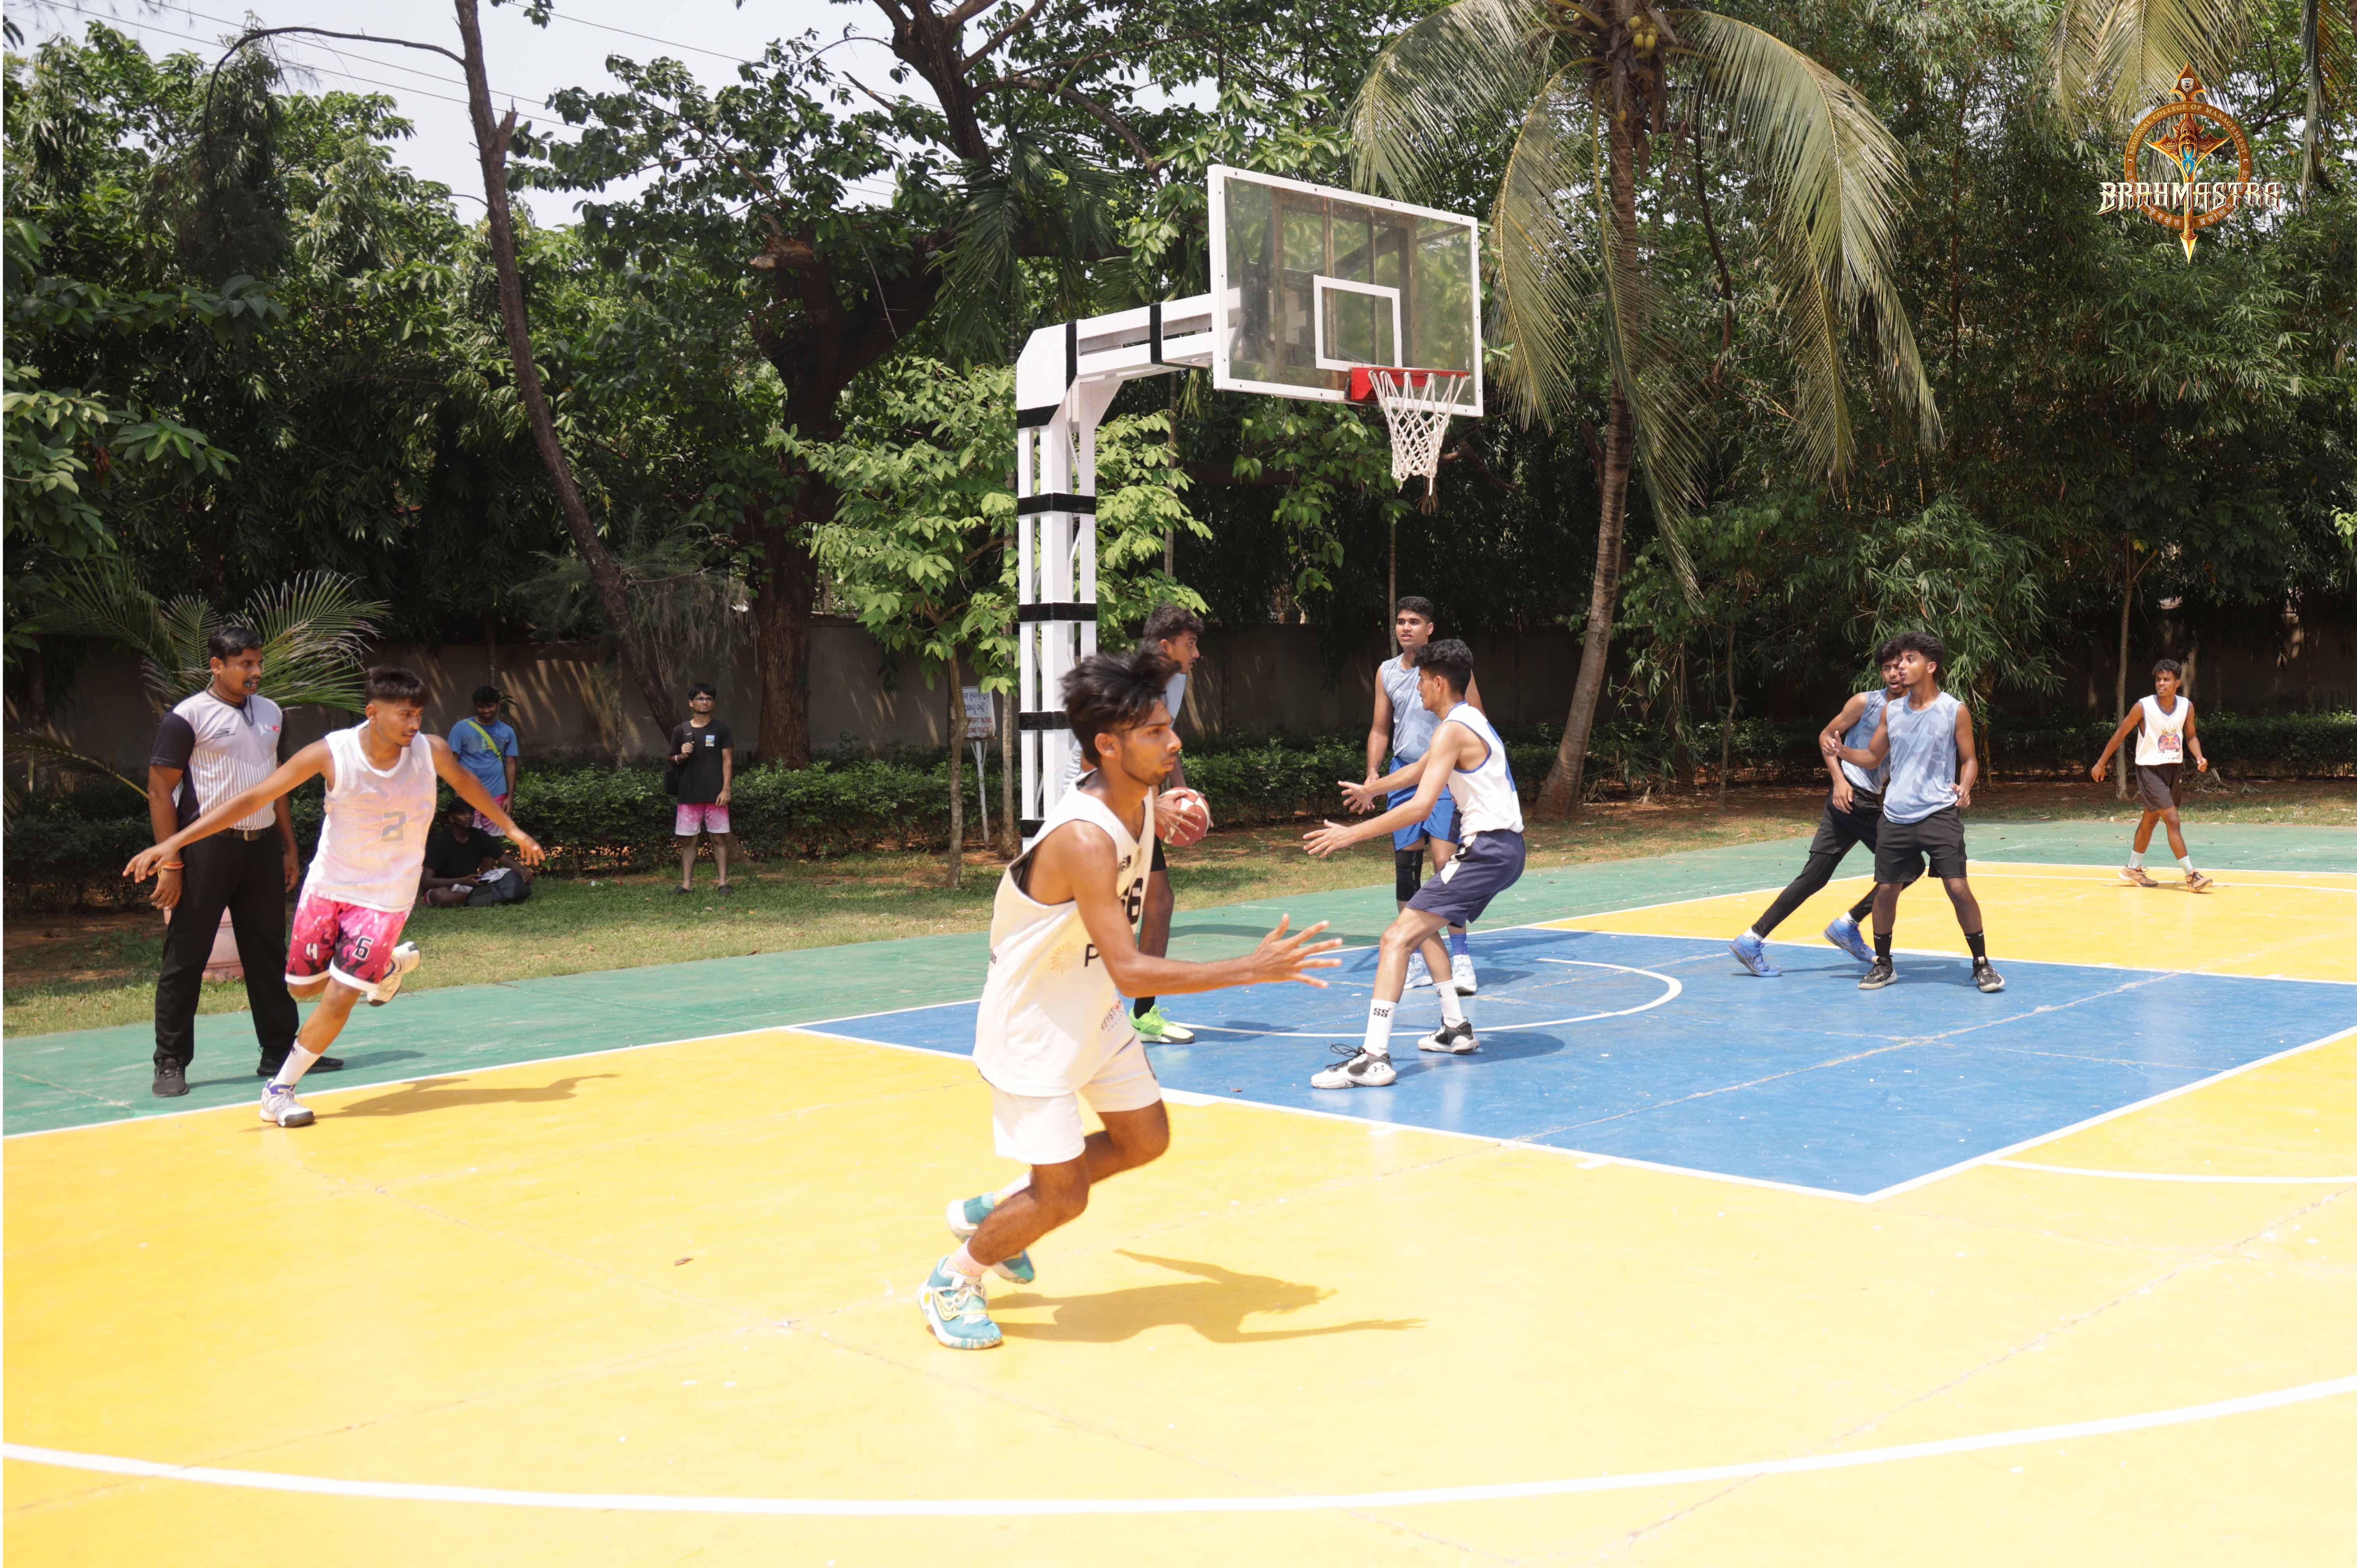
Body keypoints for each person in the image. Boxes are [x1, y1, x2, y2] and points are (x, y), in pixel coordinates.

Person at [922, 648, 1341, 1350]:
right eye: (1154, 732)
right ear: (1106, 745)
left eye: (1167, 726)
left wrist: (1169, 804)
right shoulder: (1084, 837)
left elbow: (1149, 818)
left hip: (1088, 1010)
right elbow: (1131, 968)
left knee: (1143, 1137)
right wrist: (1253, 965)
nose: (1173, 742)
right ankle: (954, 1276)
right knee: (1064, 1195)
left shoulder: (1134, 799)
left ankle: (995, 1209)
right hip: (1035, 1027)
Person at [126, 668, 545, 1128]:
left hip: (387, 893)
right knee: (302, 988)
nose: (413, 724)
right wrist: (173, 842)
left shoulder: (431, 751)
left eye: (419, 714)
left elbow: (466, 784)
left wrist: (512, 829)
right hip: (330, 884)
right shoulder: (331, 753)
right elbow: (255, 797)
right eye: (404, 714)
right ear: (372, 712)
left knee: (342, 994)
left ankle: (279, 1089)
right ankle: (382, 970)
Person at [1309, 638, 1523, 1088]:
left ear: (1439, 682)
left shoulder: (1452, 728)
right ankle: (1456, 1029)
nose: (1419, 688)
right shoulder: (1469, 721)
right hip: (1503, 850)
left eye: (1422, 680)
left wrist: (1350, 834)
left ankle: (1373, 1058)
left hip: (1486, 850)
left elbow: (1420, 806)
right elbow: (1422, 769)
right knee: (1421, 929)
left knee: (1395, 938)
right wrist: (1374, 788)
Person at [146, 626, 341, 1096]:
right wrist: (171, 861)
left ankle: (280, 1052)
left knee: (268, 953)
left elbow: (278, 784)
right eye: (245, 664)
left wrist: (289, 846)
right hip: (206, 852)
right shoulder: (187, 717)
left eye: (258, 663)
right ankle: (171, 1061)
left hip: (261, 849)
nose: (255, 672)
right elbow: (159, 790)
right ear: (217, 665)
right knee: (186, 957)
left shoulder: (272, 713)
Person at [1730, 641, 1921, 975]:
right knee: (1911, 863)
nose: (1894, 673)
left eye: (1899, 667)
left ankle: (1751, 938)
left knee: (1813, 878)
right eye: (1887, 668)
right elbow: (1827, 736)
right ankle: (1849, 923)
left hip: (1859, 801)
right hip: (1852, 797)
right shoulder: (1866, 702)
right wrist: (1840, 781)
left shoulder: (1915, 711)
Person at [1828, 631, 2003, 994]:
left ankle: (1982, 964)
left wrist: (1966, 786)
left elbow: (1970, 760)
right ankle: (1884, 963)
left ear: (1931, 667)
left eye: (1909, 660)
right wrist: (1841, 751)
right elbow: (1874, 758)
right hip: (1895, 815)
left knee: (1958, 887)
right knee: (1887, 890)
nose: (1900, 668)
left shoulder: (1954, 710)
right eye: (1898, 662)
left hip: (1939, 813)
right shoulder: (1892, 711)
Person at [1360, 597, 1488, 994]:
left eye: (1414, 622)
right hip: (1403, 772)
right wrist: (1372, 773)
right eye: (1401, 621)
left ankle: (1462, 958)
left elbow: (1476, 718)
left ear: (1430, 628)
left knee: (1443, 860)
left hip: (1444, 773)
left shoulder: (1450, 670)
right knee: (1406, 865)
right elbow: (1380, 729)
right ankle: (1417, 958)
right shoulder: (1386, 673)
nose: (1406, 628)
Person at [1128, 602, 1206, 1046]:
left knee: (1158, 903)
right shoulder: (1134, 687)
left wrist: (1183, 794)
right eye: (1190, 645)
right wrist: (1148, 807)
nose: (1196, 655)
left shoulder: (1172, 681)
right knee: (1107, 910)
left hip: (1138, 799)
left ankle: (1143, 1012)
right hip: (1101, 805)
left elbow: (1166, 744)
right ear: (1165, 646)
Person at [2090, 659, 2212, 891]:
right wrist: (2101, 763)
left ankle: (2132, 868)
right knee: (2172, 819)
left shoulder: (2187, 706)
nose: (2161, 684)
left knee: (2151, 818)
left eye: (2167, 680)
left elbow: (2192, 736)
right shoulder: (2143, 707)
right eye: (2158, 680)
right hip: (2149, 770)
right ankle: (2192, 875)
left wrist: (2199, 757)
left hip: (2173, 768)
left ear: (2177, 683)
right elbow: (2120, 734)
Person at [669, 682, 735, 894]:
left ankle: (723, 883)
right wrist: (683, 754)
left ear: (713, 703)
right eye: (700, 699)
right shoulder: (681, 730)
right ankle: (687, 885)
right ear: (691, 703)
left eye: (708, 699)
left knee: (719, 838)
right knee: (689, 841)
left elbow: (728, 761)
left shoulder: (722, 729)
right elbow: (673, 759)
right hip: (689, 794)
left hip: (716, 794)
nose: (704, 702)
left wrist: (726, 790)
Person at [418, 798, 535, 907]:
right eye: (462, 814)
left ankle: (480, 897)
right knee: (441, 896)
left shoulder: (480, 836)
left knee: (501, 868)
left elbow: (505, 859)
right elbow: (426, 882)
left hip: (470, 885)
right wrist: (461, 881)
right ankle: (482, 898)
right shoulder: (439, 841)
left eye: (471, 813)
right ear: (452, 818)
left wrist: (523, 872)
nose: (468, 817)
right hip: (444, 887)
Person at [449, 685, 520, 838]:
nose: (486, 711)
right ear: (476, 706)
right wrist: (458, 792)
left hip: (497, 795)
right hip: (468, 796)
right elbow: (451, 763)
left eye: (490, 706)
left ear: (498, 705)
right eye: (482, 707)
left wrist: (510, 797)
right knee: (467, 839)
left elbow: (511, 764)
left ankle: (490, 863)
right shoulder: (461, 728)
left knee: (493, 842)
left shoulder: (507, 732)